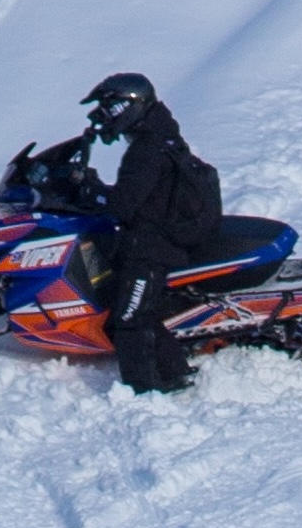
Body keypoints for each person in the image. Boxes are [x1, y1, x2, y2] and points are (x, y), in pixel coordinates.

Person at [82, 70, 226, 396]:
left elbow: (125, 204)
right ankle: (174, 375)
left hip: (153, 247)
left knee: (130, 318)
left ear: (128, 106)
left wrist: (90, 191)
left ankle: (145, 392)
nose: (106, 117)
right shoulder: (160, 136)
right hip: (154, 240)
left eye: (110, 108)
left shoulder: (149, 148)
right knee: (137, 314)